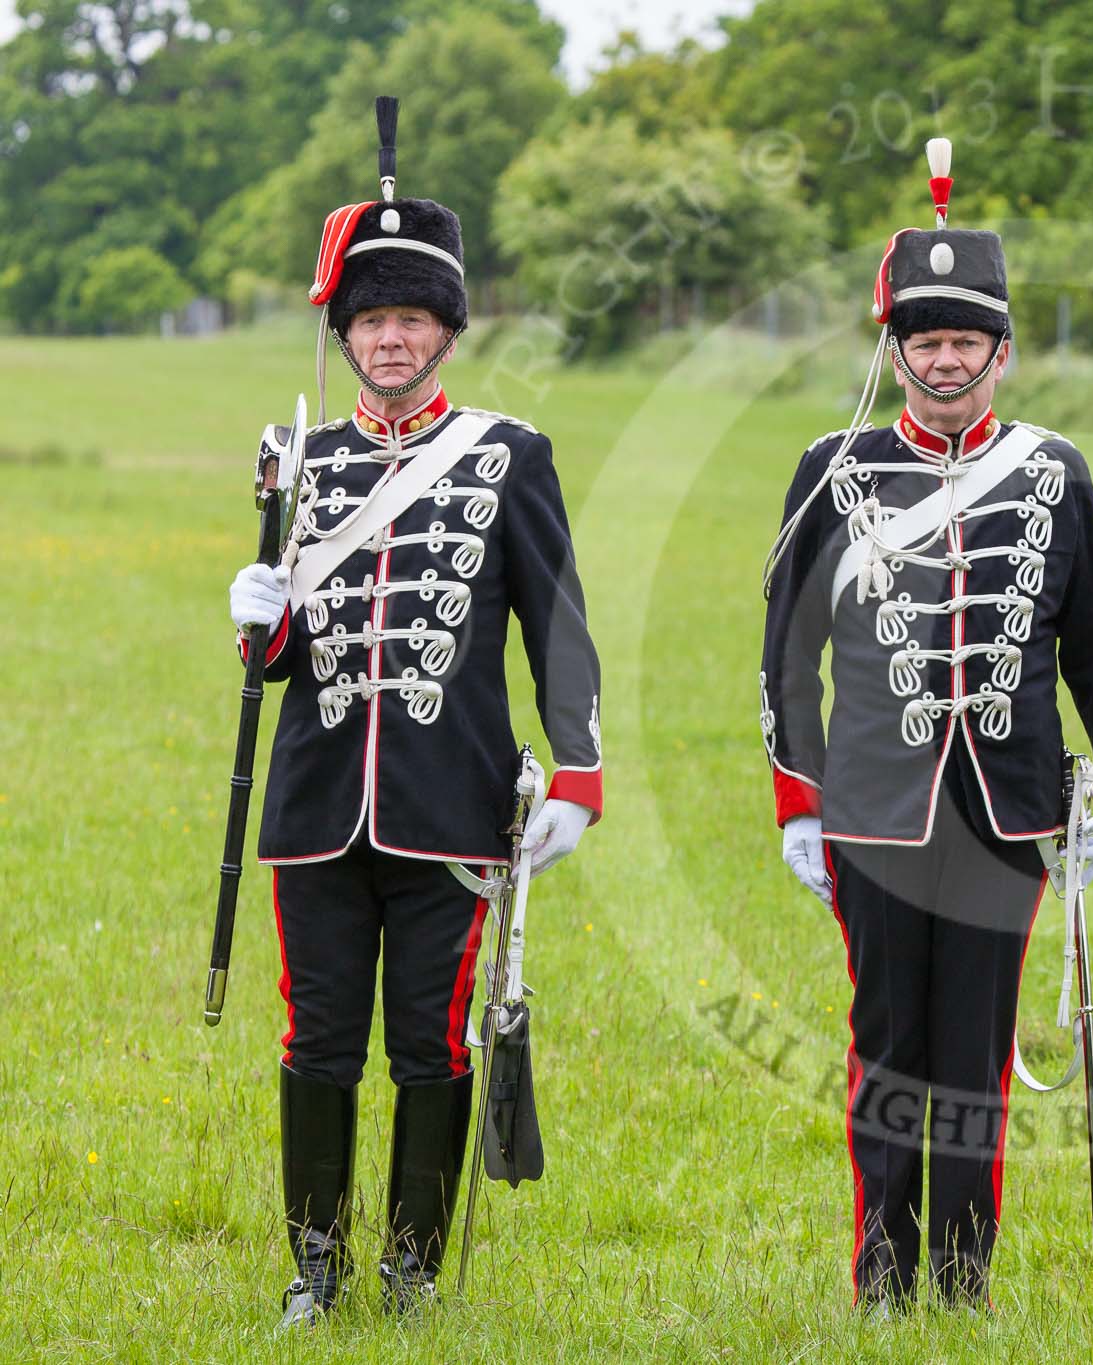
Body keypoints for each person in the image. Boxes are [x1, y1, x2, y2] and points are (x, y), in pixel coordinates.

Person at [758, 141, 1093, 1311]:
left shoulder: (1052, 472)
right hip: (874, 808)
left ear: (1000, 350)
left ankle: (961, 1277)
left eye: (964, 341)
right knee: (886, 1041)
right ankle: (882, 1275)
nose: (944, 360)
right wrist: (800, 799)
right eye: (923, 340)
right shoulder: (830, 470)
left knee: (974, 1049)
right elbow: (787, 657)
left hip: (1005, 802)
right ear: (895, 351)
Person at [224, 96, 602, 1327]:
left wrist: (581, 775)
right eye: (370, 320)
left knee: (432, 1048)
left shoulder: (508, 454)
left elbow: (557, 625)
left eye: (411, 319)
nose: (389, 340)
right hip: (317, 806)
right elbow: (280, 659)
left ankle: (410, 1273)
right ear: (346, 333)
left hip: (450, 807)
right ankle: (315, 1270)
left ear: (445, 330)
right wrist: (263, 614)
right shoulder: (304, 458)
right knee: (315, 1045)